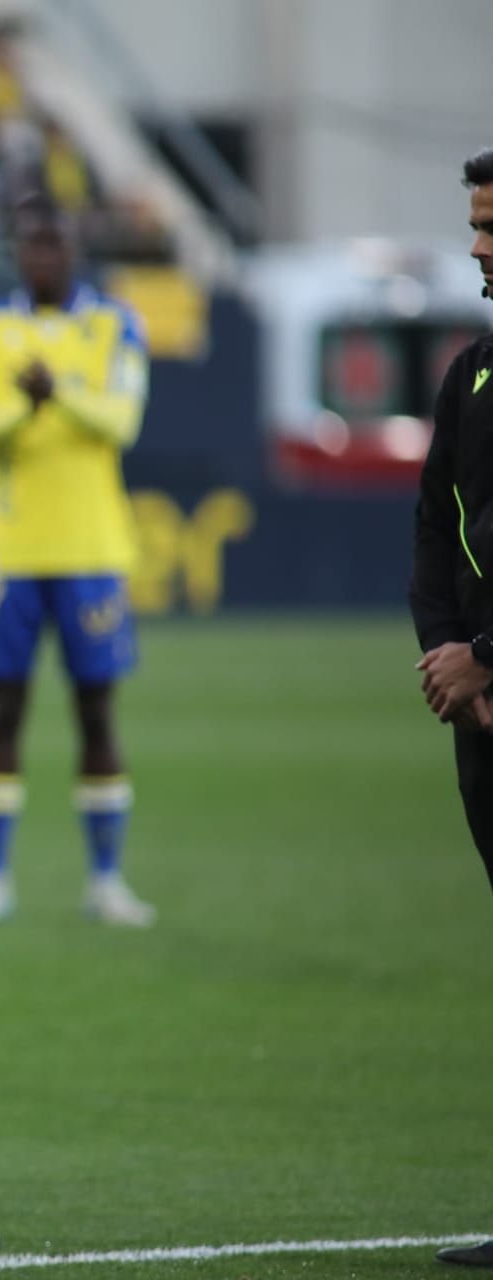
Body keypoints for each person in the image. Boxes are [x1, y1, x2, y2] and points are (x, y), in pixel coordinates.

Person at [0, 196, 156, 928]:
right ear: (19, 254)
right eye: (32, 247)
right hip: (11, 552)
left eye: (55, 246)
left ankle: (106, 879)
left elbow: (122, 422)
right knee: (4, 710)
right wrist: (32, 408)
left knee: (96, 712)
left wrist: (54, 392)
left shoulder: (115, 324)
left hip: (94, 548)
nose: (44, 258)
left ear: (75, 251)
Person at [411, 144, 493, 1270]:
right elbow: (434, 524)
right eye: (475, 226)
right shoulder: (471, 371)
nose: (478, 248)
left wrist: (487, 654)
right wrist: (448, 653)